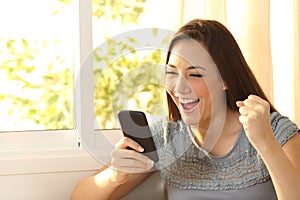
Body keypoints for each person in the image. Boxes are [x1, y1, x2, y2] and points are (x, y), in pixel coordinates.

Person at [70, 19, 300, 200]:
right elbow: (79, 197)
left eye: (195, 74)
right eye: (171, 73)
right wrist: (115, 176)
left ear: (225, 79)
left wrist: (265, 141)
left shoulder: (275, 130)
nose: (179, 88)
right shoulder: (166, 136)